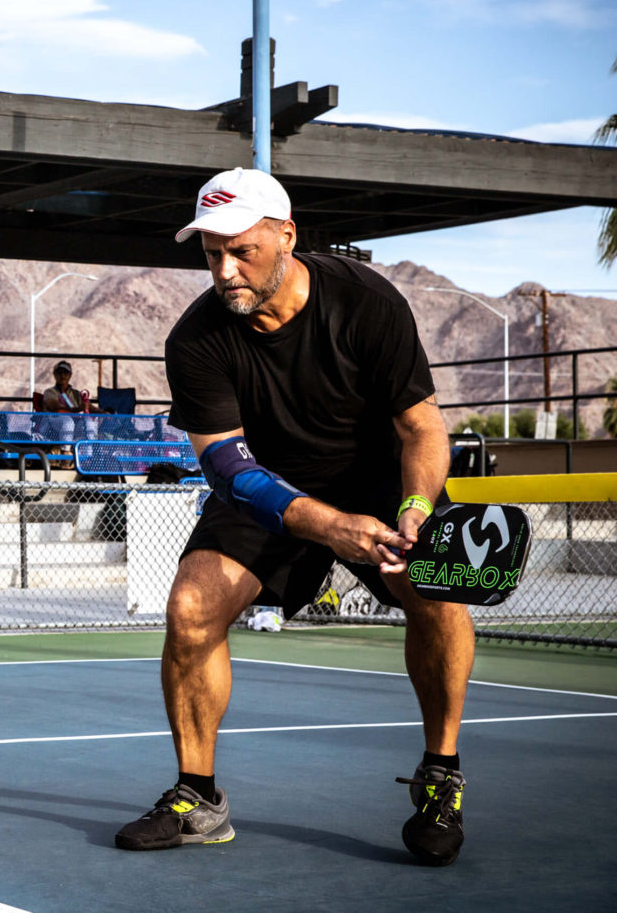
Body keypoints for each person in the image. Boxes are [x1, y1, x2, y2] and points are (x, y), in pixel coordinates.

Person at [113, 167, 466, 867]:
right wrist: (327, 525)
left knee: (437, 595)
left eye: (241, 250)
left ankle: (441, 776)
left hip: (378, 481)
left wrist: (416, 508)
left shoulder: (366, 302)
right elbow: (228, 467)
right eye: (211, 253)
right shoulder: (197, 338)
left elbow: (423, 429)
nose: (225, 269)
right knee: (190, 608)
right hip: (268, 488)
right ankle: (198, 798)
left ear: (287, 236)